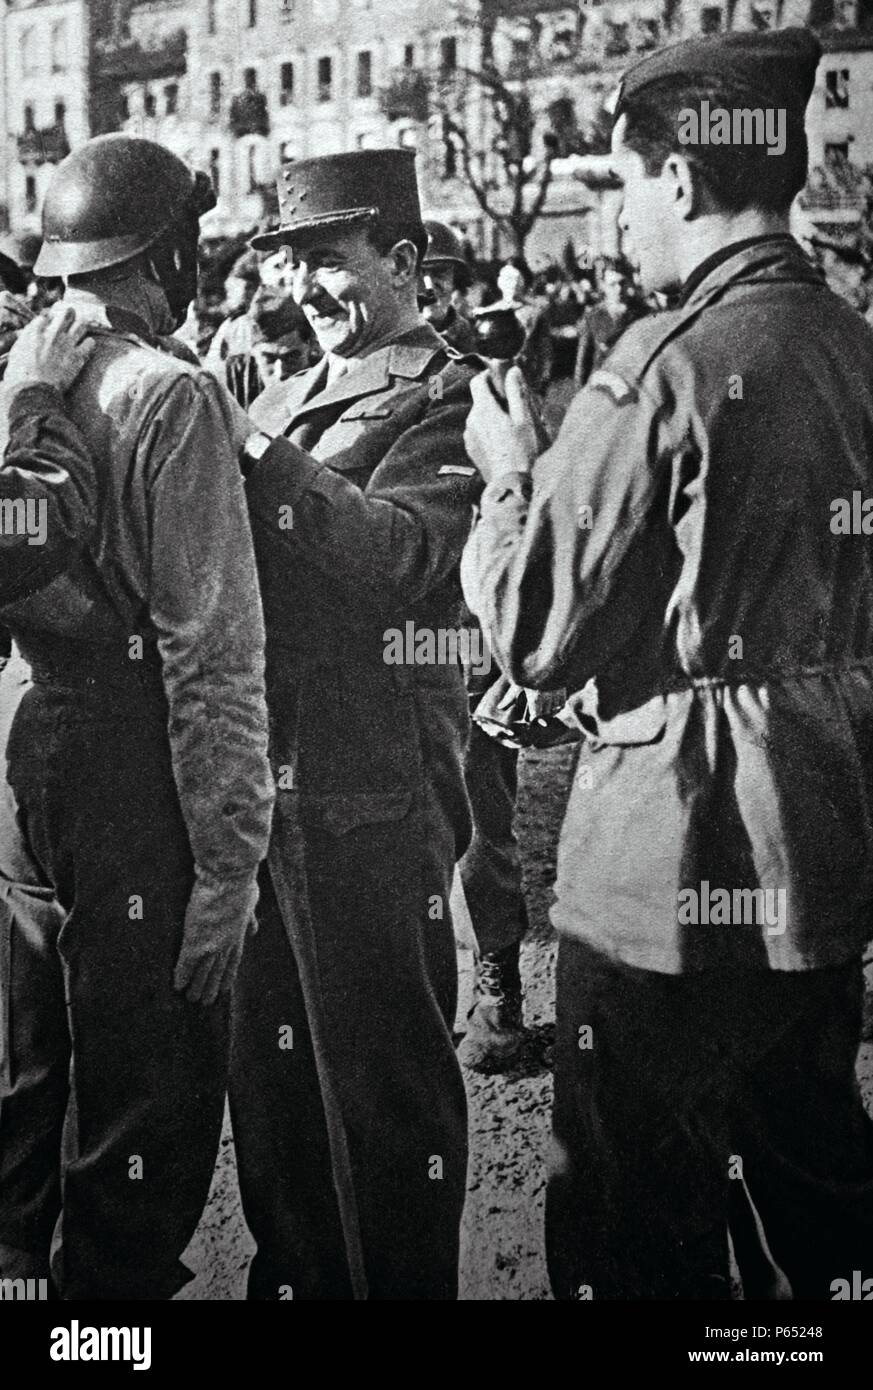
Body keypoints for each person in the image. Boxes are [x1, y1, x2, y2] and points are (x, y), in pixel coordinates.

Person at [461, 26, 873, 1300]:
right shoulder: (852, 347)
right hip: (824, 839)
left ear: (682, 183)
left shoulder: (659, 368)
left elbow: (534, 622)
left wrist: (512, 473)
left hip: (668, 860)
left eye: (627, 182)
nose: (622, 215)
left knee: (636, 1213)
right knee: (817, 1190)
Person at [0, 134, 274, 1300]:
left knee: (23, 1098)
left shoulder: (19, 381)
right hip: (133, 780)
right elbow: (211, 651)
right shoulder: (176, 394)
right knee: (141, 1126)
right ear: (171, 251)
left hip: (24, 766)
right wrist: (228, 863)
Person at [230, 148, 484, 1299]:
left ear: (405, 261)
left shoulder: (449, 399)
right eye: (293, 266)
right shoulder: (280, 396)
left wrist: (247, 451)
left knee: (383, 1101)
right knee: (274, 1100)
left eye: (327, 263)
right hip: (259, 792)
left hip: (367, 795)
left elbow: (395, 557)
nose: (308, 290)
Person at [573, 255, 644, 388]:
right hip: (602, 388)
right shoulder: (593, 317)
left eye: (622, 283)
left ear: (629, 282)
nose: (618, 289)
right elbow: (583, 363)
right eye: (612, 284)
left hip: (635, 386)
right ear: (603, 286)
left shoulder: (642, 313)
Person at [418, 220, 477, 354]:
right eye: (418, 274)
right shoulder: (387, 345)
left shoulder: (477, 339)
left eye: (439, 272)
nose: (429, 286)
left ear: (456, 279)